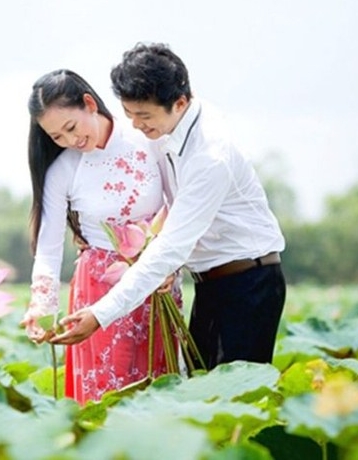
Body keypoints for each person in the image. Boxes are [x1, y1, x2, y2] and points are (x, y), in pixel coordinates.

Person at [51, 43, 287, 371]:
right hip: (210, 282)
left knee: (233, 394)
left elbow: (173, 245)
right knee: (200, 387)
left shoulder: (210, 156)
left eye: (144, 116)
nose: (135, 125)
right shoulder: (170, 127)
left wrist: (100, 314)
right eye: (129, 114)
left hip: (248, 283)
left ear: (179, 103)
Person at [20, 69, 181, 404]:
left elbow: (178, 207)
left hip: (155, 279)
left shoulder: (148, 141)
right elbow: (49, 248)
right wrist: (41, 306)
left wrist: (172, 267)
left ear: (90, 104)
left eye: (71, 127)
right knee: (106, 400)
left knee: (160, 395)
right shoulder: (63, 170)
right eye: (56, 137)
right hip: (97, 287)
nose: (70, 141)